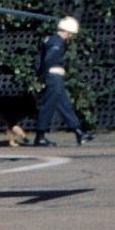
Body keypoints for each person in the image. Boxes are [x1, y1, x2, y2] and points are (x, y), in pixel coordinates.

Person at [35, 16, 94, 146]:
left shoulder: (51, 40)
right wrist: (43, 77)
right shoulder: (57, 42)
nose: (70, 37)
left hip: (54, 77)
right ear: (67, 32)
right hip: (53, 77)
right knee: (48, 106)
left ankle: (78, 132)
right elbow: (48, 61)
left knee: (65, 105)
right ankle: (40, 136)